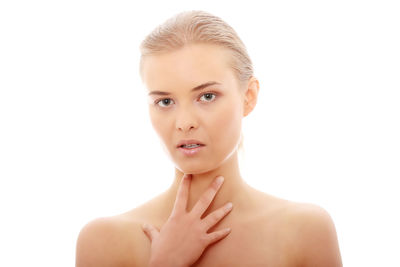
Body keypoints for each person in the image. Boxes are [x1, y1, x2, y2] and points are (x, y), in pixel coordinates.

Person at [76, 10, 342, 267]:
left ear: (248, 97)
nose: (184, 123)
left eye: (207, 96)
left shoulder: (305, 231)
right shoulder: (103, 241)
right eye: (165, 101)